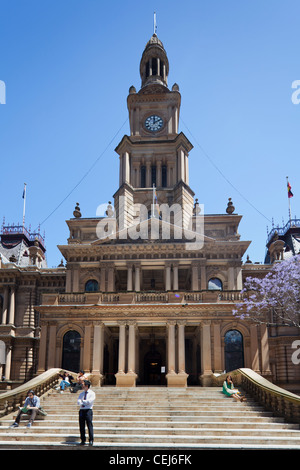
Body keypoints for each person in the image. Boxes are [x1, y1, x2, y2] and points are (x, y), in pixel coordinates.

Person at [77, 379, 95, 446]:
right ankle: (83, 440)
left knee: (89, 425)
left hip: (88, 410)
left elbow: (89, 402)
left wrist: (83, 401)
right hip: (82, 410)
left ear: (87, 385)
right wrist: (83, 402)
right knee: (81, 426)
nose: (82, 386)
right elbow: (78, 402)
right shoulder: (81, 393)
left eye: (83, 384)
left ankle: (91, 440)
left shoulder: (92, 393)